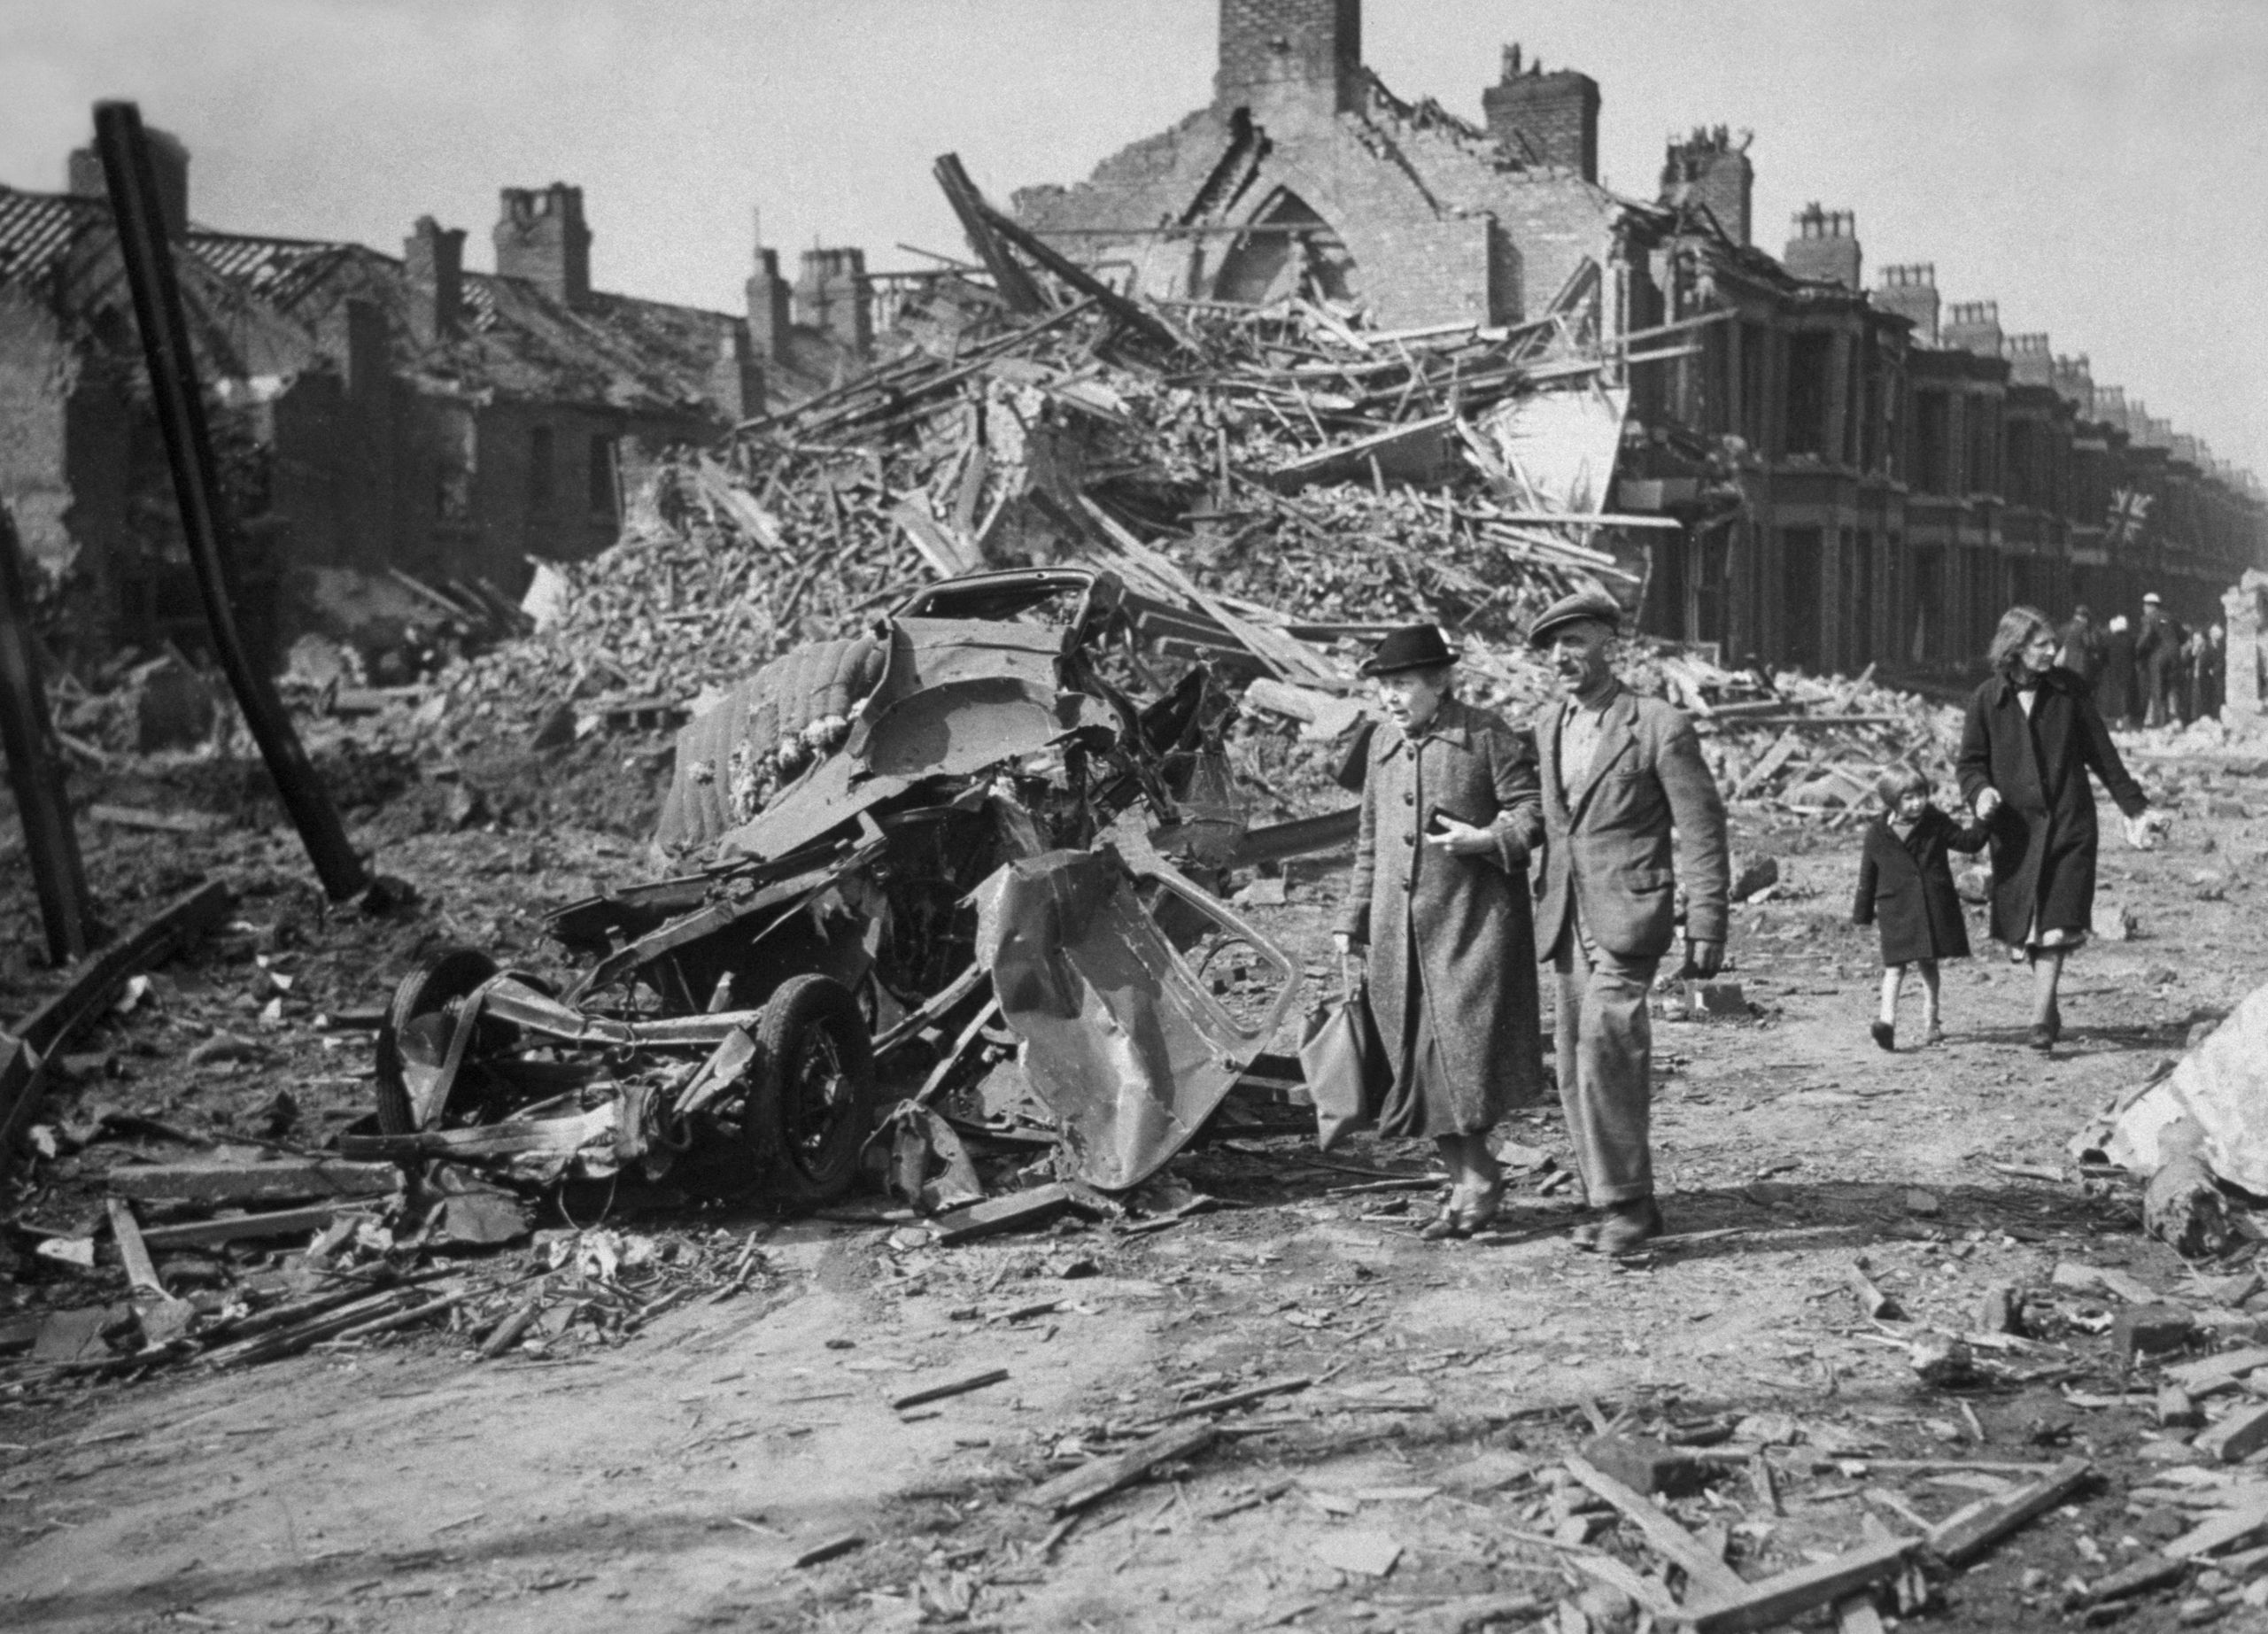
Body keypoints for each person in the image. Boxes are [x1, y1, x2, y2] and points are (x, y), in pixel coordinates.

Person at [1529, 591, 1729, 1256]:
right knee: (1570, 1061)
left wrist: (1707, 922)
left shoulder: (1656, 724)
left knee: (1607, 1045)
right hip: (1565, 915)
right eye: (1552, 647)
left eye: (1575, 642)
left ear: (1607, 645)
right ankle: (1606, 1197)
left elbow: (1701, 829)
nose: (1562, 657)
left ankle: (1631, 1205)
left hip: (1630, 912)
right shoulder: (1544, 724)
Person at [1333, 624, 1544, 1240]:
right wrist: (1352, 919)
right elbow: (1369, 841)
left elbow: (1532, 814)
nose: (1391, 700)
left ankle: (1477, 1181)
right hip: (1399, 939)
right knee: (1418, 1070)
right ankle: (1464, 1184)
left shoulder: (1484, 734)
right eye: (1384, 689)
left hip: (1472, 930)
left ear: (1438, 683)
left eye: (1402, 686)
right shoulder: (1380, 744)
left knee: (1461, 1064)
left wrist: (1486, 840)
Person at [1958, 606, 2159, 1052]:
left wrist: (2135, 808)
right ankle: (2048, 1006)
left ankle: (2038, 1021)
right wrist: (1980, 793)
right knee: (2030, 926)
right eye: (2042, 644)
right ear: (2014, 649)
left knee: (2056, 923)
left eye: (2053, 642)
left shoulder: (2069, 691)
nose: (2055, 650)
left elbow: (2102, 754)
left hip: (2070, 822)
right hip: (2015, 831)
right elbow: (1970, 764)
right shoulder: (1987, 700)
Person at [1852, 768, 1987, 1051]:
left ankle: (1932, 1020)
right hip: (1896, 908)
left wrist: (1984, 818)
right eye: (1909, 798)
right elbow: (1868, 874)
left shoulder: (1935, 821)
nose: (1917, 803)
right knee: (1894, 967)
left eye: (1921, 795)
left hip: (1930, 903)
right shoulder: (1877, 833)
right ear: (1892, 801)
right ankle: (1886, 1023)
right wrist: (1862, 915)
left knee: (1928, 963)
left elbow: (1967, 842)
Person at [2137, 592, 2180, 727]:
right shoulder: (2171, 618)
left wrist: (2137, 652)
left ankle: (2159, 723)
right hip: (2175, 656)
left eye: (2145, 605)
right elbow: (2183, 636)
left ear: (2150, 606)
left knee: (2157, 688)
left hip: (2158, 657)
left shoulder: (2148, 618)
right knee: (2172, 686)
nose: (2144, 608)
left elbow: (2145, 637)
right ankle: (2174, 718)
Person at [2101, 615, 2138, 728]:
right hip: (2129, 670)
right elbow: (2135, 654)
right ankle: (2126, 718)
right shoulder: (2131, 640)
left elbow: (2102, 655)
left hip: (2113, 671)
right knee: (2127, 694)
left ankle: (2114, 719)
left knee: (2114, 694)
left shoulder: (2108, 640)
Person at [2057, 606, 2102, 696]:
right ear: (2085, 617)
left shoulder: (2063, 628)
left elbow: (2057, 644)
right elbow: (2089, 644)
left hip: (2065, 663)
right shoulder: (2084, 628)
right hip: (2079, 664)